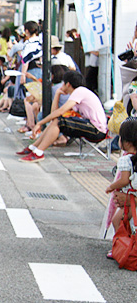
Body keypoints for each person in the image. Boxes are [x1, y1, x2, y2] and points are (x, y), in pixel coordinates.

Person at [17, 70, 108, 162]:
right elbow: (55, 114)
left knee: (59, 122)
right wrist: (57, 94)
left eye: (63, 83)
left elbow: (61, 111)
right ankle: (34, 148)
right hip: (92, 126)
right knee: (57, 121)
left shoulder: (79, 91)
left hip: (97, 130)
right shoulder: (79, 93)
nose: (61, 86)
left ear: (68, 84)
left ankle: (38, 153)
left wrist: (40, 123)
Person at [104, 118, 137, 259]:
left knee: (117, 221)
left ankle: (121, 246)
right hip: (132, 198)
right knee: (127, 224)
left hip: (130, 198)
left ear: (126, 142)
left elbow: (124, 180)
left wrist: (111, 187)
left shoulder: (125, 159)